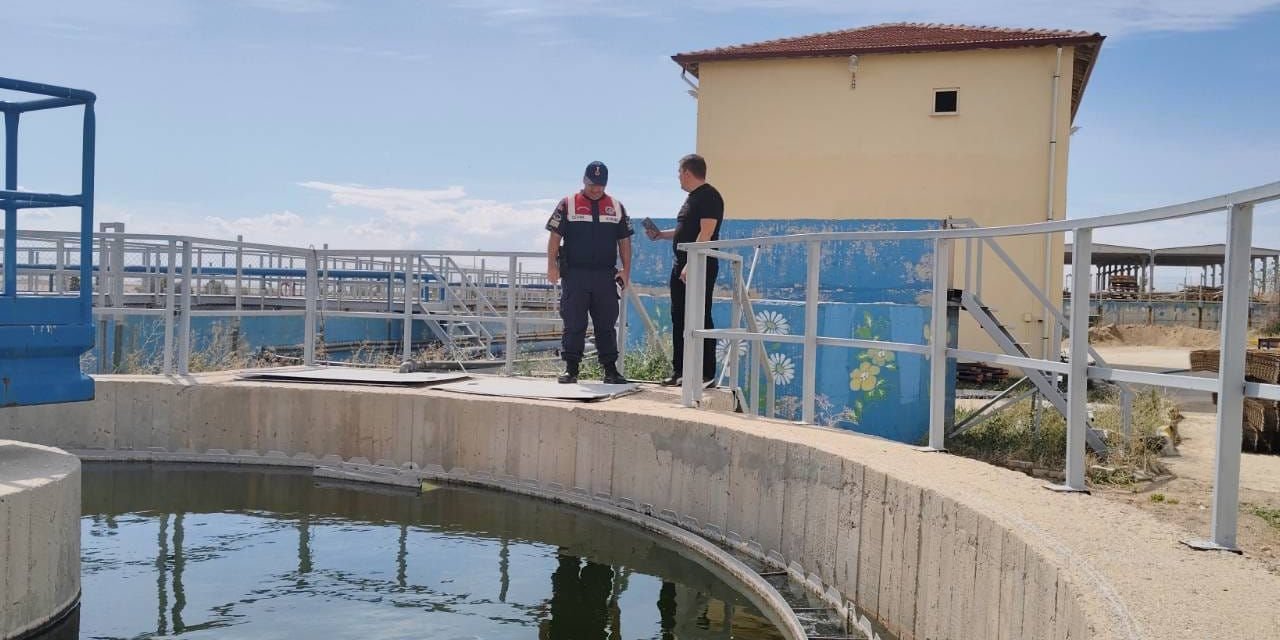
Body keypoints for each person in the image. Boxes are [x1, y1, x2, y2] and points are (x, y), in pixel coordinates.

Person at [546, 161, 633, 385]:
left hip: (605, 275)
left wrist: (626, 270)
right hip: (575, 274)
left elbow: (624, 241)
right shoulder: (568, 204)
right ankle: (571, 369)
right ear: (584, 181)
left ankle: (610, 370)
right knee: (574, 322)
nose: (596, 189)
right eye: (592, 184)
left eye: (601, 185)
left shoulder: (616, 206)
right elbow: (555, 236)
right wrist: (551, 266)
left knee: (606, 323)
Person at [644, 154, 724, 387]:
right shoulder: (692, 198)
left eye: (679, 172)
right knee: (679, 317)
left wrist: (692, 262)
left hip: (698, 265)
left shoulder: (709, 195)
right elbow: (685, 229)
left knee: (700, 316)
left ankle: (705, 374)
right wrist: (661, 235)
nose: (678, 177)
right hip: (681, 265)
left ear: (688, 172)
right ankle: (680, 371)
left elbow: (706, 232)